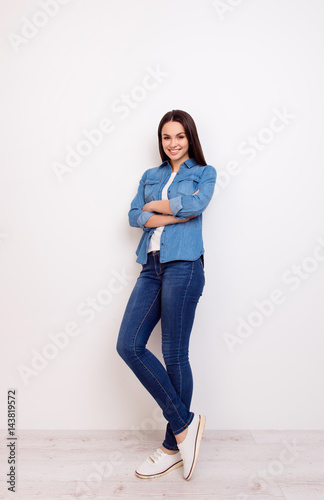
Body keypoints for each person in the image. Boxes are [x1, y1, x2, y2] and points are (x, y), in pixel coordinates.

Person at [116, 109, 217, 480]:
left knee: (174, 353)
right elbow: (132, 215)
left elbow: (194, 205)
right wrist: (173, 214)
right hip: (151, 267)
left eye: (179, 136)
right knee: (129, 345)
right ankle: (185, 424)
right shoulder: (151, 175)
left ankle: (172, 446)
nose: (172, 143)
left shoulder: (204, 173)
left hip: (185, 265)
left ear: (190, 138)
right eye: (166, 137)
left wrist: (156, 208)